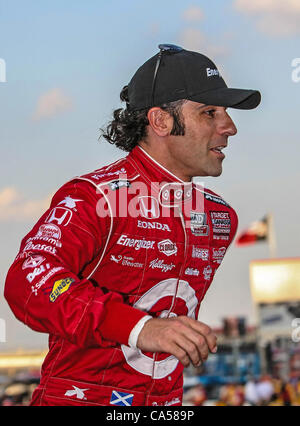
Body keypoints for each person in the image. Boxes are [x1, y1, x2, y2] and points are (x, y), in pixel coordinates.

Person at [4, 44, 261, 406]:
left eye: (226, 114)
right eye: (209, 112)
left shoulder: (219, 218)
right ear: (160, 121)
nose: (229, 127)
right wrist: (139, 327)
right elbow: (25, 280)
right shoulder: (96, 197)